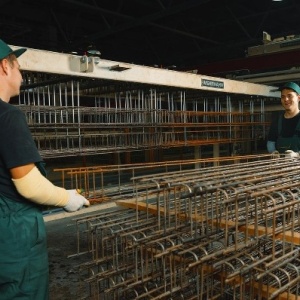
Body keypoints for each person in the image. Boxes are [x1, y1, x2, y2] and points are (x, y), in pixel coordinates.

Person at [0, 39, 90, 299]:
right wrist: (66, 198)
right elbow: (29, 184)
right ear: (5, 67)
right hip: (12, 234)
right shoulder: (7, 116)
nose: (21, 75)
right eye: (19, 68)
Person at [267, 81, 300, 156]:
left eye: (290, 96)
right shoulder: (277, 121)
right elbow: (271, 142)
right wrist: (273, 151)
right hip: (281, 166)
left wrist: (297, 155)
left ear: (298, 98)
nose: (286, 99)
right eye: (283, 97)